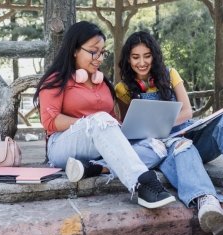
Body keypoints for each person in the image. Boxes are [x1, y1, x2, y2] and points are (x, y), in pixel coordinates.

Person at [115, 31, 223, 235]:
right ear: (128, 59)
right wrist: (159, 135)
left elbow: (187, 112)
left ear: (154, 56)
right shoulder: (122, 89)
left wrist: (164, 125)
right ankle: (207, 203)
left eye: (147, 55)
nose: (142, 62)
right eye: (135, 57)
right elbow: (129, 127)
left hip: (187, 131)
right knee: (182, 146)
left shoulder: (169, 74)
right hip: (164, 148)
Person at [33, 22, 175, 209]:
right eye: (93, 52)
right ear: (75, 50)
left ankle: (94, 167)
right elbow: (50, 122)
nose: (99, 58)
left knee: (156, 146)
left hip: (99, 144)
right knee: (100, 120)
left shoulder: (103, 83)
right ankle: (143, 183)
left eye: (102, 52)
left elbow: (111, 123)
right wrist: (90, 123)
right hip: (62, 145)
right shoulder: (56, 81)